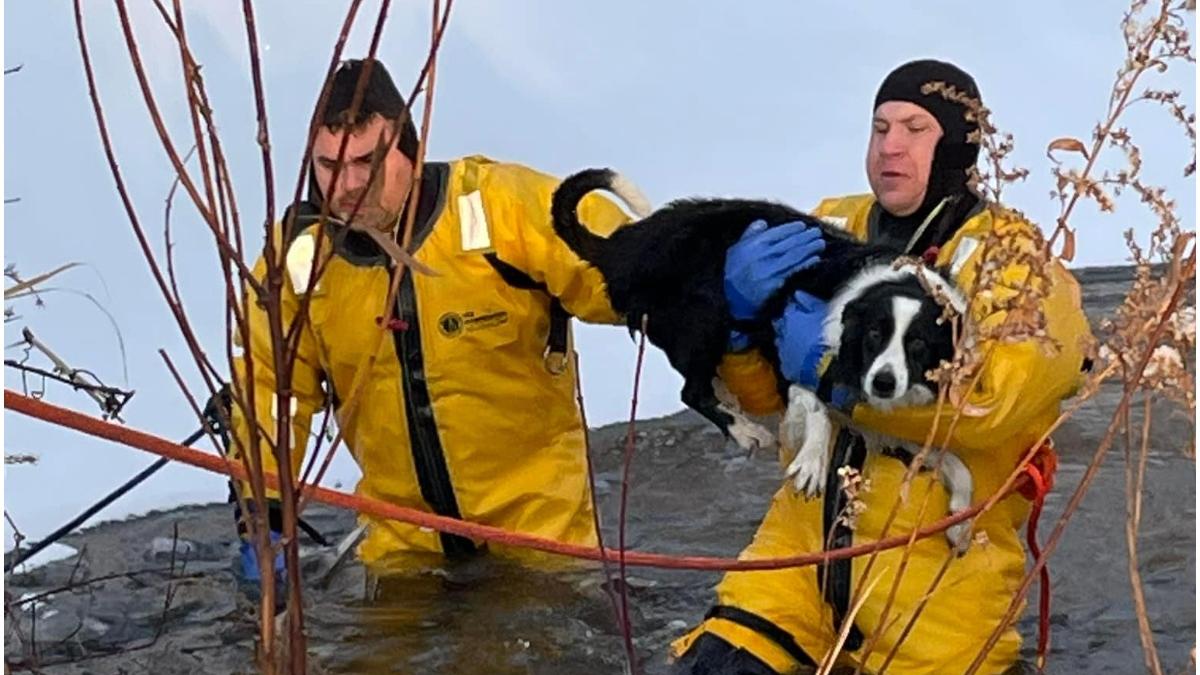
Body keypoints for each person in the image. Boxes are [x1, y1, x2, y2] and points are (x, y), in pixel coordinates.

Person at [671, 59, 1094, 674]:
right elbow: (766, 404)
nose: (890, 146)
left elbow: (990, 406)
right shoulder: (824, 229)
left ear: (957, 147)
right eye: (879, 128)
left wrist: (830, 373)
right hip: (799, 560)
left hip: (933, 586)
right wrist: (736, 329)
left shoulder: (1015, 261)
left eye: (915, 130)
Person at [227, 58, 635, 590]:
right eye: (329, 166)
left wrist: (705, 284)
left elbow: (630, 266)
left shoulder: (499, 208)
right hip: (404, 555)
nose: (348, 186)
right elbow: (269, 388)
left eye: (367, 162)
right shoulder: (299, 263)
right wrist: (263, 517)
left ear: (409, 150)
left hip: (542, 546)